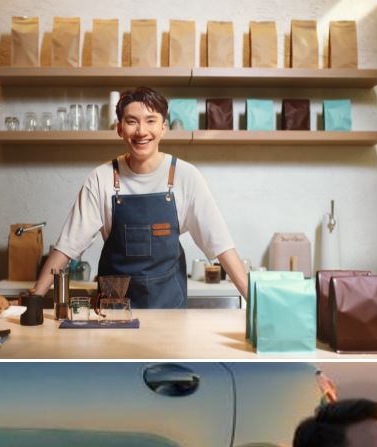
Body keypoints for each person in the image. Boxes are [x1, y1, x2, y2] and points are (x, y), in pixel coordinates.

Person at [29, 86, 249, 308]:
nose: (142, 131)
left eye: (151, 121)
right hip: (113, 312)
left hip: (169, 311)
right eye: (132, 121)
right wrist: (36, 296)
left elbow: (220, 244)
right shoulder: (101, 178)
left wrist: (256, 303)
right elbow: (68, 246)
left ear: (163, 128)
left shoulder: (185, 176)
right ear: (119, 129)